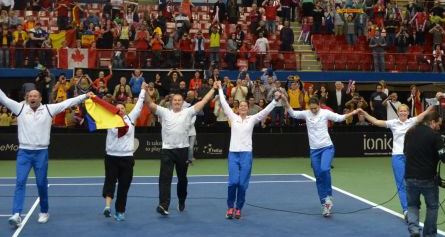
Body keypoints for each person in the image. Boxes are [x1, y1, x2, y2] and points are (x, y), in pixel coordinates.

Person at [0, 76, 93, 227]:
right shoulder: (20, 108)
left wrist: (85, 96)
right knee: (20, 182)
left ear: (40, 98)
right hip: (24, 153)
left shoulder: (49, 109)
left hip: (41, 153)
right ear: (27, 98)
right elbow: (3, 99)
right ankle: (16, 214)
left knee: (41, 184)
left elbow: (67, 103)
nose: (32, 98)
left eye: (35, 96)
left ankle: (44, 211)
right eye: (30, 96)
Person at [144, 83, 218, 216]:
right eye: (175, 100)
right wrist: (144, 90)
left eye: (179, 100)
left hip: (182, 151)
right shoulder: (164, 112)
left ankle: (181, 200)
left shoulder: (188, 112)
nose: (177, 102)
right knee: (164, 179)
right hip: (167, 151)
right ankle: (163, 205)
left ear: (183, 102)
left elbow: (204, 101)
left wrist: (213, 89)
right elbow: (149, 104)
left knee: (182, 179)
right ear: (171, 102)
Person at [282, 95, 361, 216]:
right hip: (314, 151)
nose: (313, 110)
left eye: (315, 108)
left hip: (327, 148)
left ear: (319, 105)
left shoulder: (325, 113)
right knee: (318, 177)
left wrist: (353, 112)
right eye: (312, 108)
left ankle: (329, 196)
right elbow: (293, 114)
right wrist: (285, 100)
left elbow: (339, 118)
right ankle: (325, 205)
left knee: (324, 169)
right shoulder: (306, 113)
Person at [216, 82, 279, 219]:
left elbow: (265, 111)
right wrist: (220, 89)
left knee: (242, 185)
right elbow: (224, 103)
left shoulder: (252, 119)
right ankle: (230, 207)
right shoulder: (233, 117)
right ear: (238, 108)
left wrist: (275, 101)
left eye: (245, 106)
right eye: (241, 106)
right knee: (233, 182)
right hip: (233, 154)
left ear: (248, 108)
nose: (243, 107)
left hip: (246, 154)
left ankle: (238, 208)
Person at [361, 103, 435, 215]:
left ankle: (414, 205)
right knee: (401, 184)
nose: (403, 112)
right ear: (398, 112)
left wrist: (433, 104)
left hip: (412, 157)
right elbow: (376, 121)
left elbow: (425, 113)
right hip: (397, 157)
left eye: (405, 111)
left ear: (408, 112)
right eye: (401, 111)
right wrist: (365, 113)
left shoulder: (412, 121)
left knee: (414, 183)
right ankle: (406, 210)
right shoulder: (393, 123)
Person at [402, 110, 445, 237]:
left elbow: (405, 152)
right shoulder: (435, 136)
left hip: (410, 177)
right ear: (432, 122)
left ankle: (414, 230)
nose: (439, 127)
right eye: (438, 123)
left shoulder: (410, 132)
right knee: (432, 207)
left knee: (412, 205)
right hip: (428, 178)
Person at [102, 86, 147, 221]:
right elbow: (100, 107)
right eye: (118, 108)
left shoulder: (131, 118)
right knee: (110, 182)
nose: (120, 110)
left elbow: (139, 105)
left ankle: (120, 211)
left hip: (127, 158)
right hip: (111, 157)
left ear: (125, 110)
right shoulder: (109, 120)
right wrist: (91, 97)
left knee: (124, 186)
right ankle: (107, 207)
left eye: (122, 108)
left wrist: (143, 90)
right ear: (114, 110)